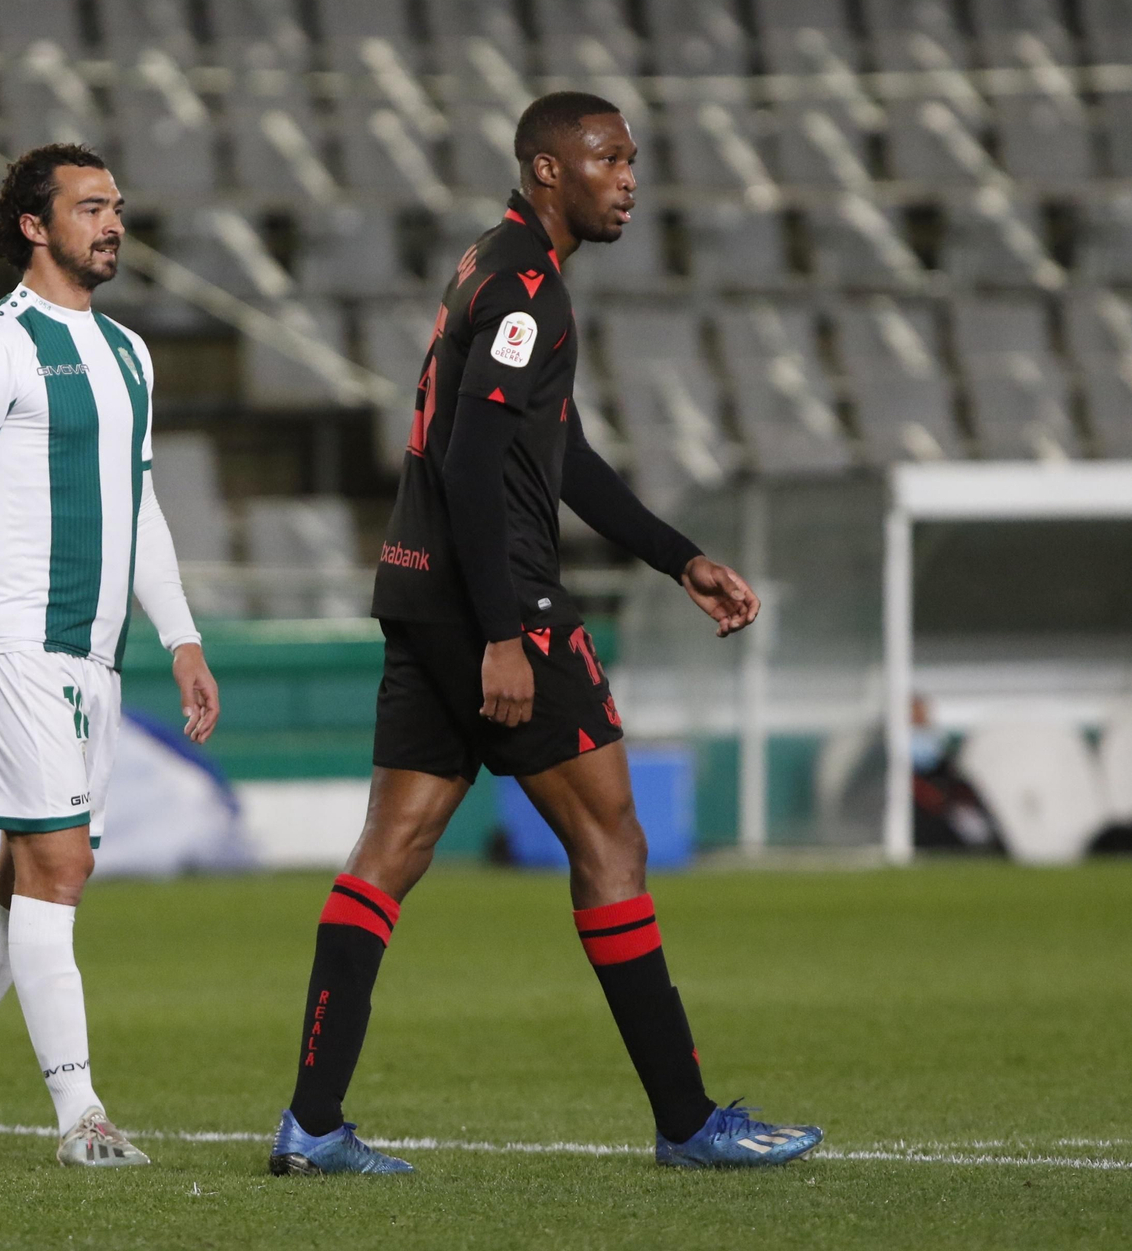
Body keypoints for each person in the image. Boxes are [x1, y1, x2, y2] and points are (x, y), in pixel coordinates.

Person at [267, 93, 823, 1175]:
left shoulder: (490, 263)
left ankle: (313, 1123)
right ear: (545, 169)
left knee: (391, 850)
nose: (627, 178)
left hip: (419, 593)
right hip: (497, 604)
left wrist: (676, 555)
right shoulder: (529, 286)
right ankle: (687, 1121)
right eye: (607, 158)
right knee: (612, 844)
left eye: (631, 160)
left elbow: (549, 454)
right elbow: (477, 462)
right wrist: (510, 630)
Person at [0, 143, 220, 1169]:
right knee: (61, 861)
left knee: (24, 878)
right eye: (91, 206)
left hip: (93, 658)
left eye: (118, 205)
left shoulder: (128, 354)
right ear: (35, 224)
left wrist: (181, 634)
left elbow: (138, 505)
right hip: (8, 642)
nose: (113, 222)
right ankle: (82, 1116)